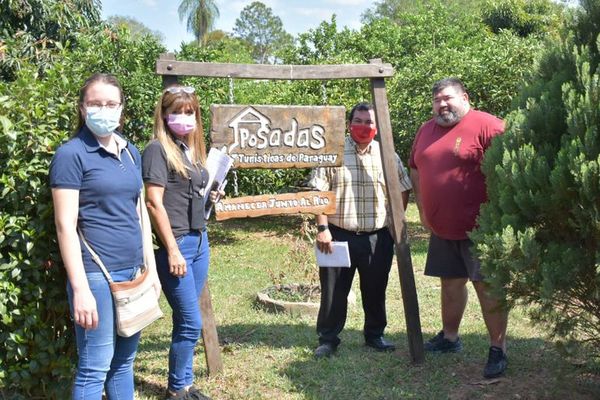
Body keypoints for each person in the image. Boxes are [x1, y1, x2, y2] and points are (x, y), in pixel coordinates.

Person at [50, 73, 160, 399]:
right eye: (96, 103)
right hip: (95, 275)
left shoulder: (130, 152)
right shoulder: (71, 155)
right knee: (95, 367)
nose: (104, 109)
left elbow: (140, 215)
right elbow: (64, 226)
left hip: (132, 273)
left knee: (124, 364)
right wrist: (81, 289)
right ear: (83, 108)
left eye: (111, 103)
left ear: (121, 108)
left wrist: (150, 270)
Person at [409, 77, 508, 378]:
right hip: (442, 228)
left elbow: (514, 161)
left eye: (448, 98)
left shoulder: (487, 125)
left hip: (481, 228)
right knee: (450, 284)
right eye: (437, 100)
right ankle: (450, 338)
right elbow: (414, 167)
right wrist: (423, 210)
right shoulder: (426, 130)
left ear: (465, 97)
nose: (442, 104)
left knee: (487, 286)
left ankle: (498, 348)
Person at [308, 102, 412, 358]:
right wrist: (322, 228)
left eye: (369, 122)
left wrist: (393, 222)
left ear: (377, 126)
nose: (364, 126)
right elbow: (318, 193)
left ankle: (375, 335)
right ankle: (328, 339)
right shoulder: (333, 151)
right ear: (349, 123)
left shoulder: (387, 154)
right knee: (334, 291)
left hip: (377, 237)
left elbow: (403, 187)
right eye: (359, 120)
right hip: (337, 235)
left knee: (376, 289)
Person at [142, 85, 218, 400]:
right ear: (163, 115)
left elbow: (190, 193)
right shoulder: (157, 150)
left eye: (189, 113)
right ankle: (176, 390)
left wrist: (211, 196)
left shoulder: (188, 149)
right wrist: (172, 249)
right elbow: (153, 202)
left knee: (185, 320)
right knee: (190, 320)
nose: (184, 118)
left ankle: (185, 384)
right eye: (177, 112)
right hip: (179, 245)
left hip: (200, 241)